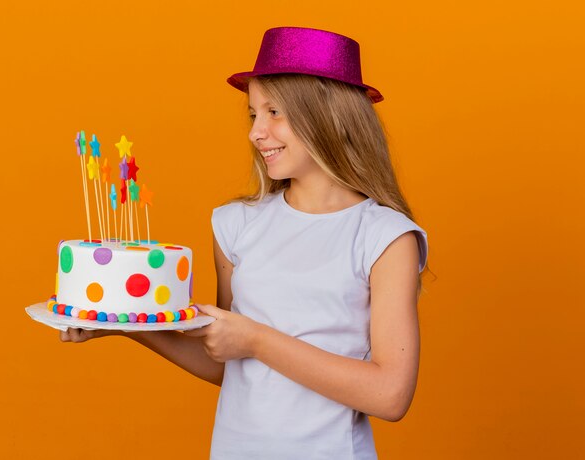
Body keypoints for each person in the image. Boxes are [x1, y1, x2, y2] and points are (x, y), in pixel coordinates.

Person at [61, 26, 429, 460]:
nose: (257, 132)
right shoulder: (235, 225)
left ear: (330, 116)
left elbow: (390, 395)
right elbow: (226, 364)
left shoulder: (384, 236)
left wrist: (256, 340)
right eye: (253, 114)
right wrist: (123, 324)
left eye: (274, 112)